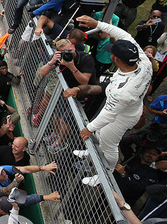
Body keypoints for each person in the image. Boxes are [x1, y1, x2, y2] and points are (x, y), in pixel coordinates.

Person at [65, 16, 152, 170]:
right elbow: (125, 36)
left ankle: (108, 170)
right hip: (129, 106)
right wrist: (98, 24)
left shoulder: (123, 91)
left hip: (123, 116)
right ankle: (90, 154)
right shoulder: (143, 61)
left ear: (116, 59)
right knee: (100, 133)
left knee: (108, 143)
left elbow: (108, 114)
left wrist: (88, 128)